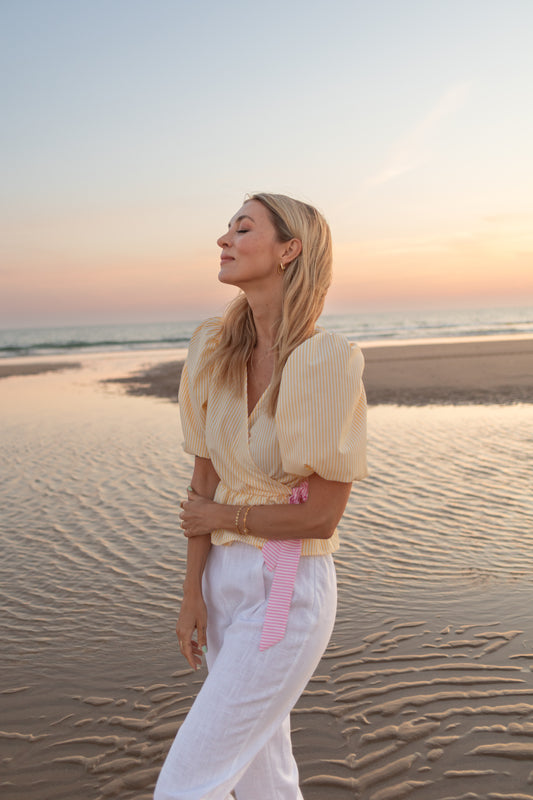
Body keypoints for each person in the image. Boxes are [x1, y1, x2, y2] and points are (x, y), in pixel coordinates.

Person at [153, 193, 367, 800]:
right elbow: (202, 481)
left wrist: (224, 515)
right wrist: (191, 593)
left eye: (242, 228)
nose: (223, 239)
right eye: (226, 228)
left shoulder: (325, 361)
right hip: (220, 585)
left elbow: (322, 515)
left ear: (289, 250)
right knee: (264, 779)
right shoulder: (212, 351)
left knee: (185, 786)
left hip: (285, 590)